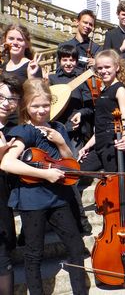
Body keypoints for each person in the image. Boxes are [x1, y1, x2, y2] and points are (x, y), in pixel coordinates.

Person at [0, 78, 86, 295]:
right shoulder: (24, 131)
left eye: (45, 105)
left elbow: (71, 163)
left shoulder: (57, 128)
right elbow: (8, 162)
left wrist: (61, 142)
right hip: (32, 201)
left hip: (60, 198)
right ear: (26, 107)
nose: (41, 110)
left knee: (76, 249)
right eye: (35, 106)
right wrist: (44, 174)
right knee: (33, 254)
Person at [48, 44, 93, 234]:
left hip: (73, 136)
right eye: (65, 59)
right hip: (53, 133)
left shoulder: (81, 79)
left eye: (72, 59)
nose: (68, 63)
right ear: (59, 60)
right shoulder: (50, 79)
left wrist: (81, 114)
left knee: (71, 177)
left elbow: (90, 106)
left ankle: (81, 221)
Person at [78, 49, 125, 172]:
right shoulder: (104, 91)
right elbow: (101, 124)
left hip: (112, 145)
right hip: (99, 145)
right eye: (100, 68)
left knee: (113, 183)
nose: (103, 71)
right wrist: (87, 146)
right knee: (77, 171)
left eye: (107, 67)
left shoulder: (119, 89)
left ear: (116, 67)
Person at [0, 74, 21, 295]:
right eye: (2, 97)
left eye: (12, 99)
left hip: (3, 202)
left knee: (3, 259)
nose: (6, 103)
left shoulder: (17, 129)